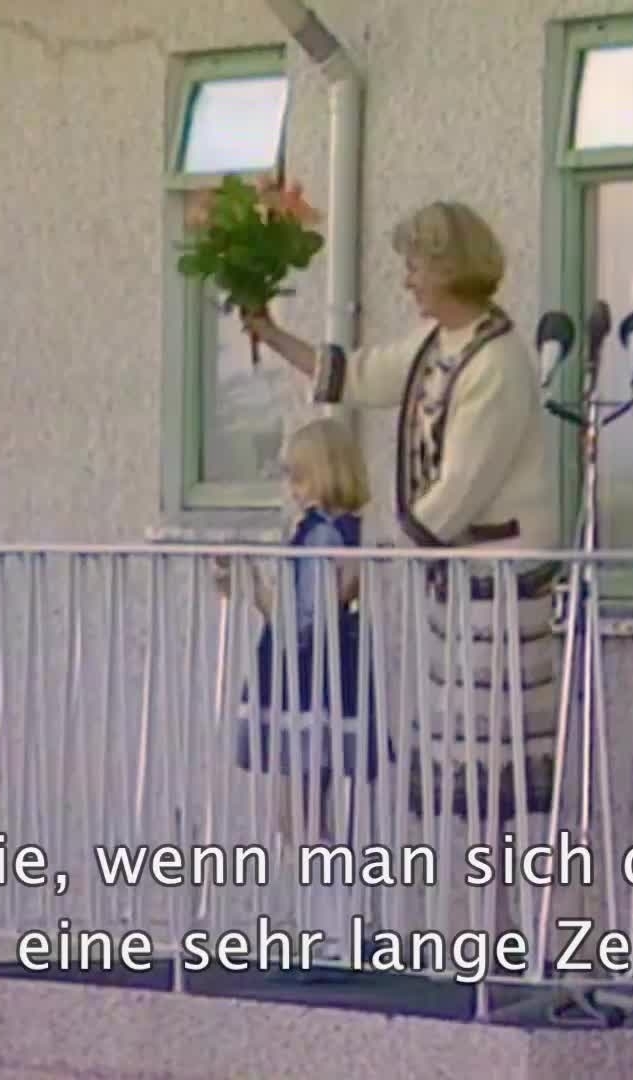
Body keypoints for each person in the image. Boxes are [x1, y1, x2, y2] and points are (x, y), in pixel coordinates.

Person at [242, 201, 562, 893]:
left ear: (449, 268)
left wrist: (381, 552)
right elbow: (356, 375)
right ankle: (480, 917)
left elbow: (461, 486)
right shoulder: (436, 345)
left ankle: (502, 923)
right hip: (459, 578)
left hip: (501, 580)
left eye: (416, 266)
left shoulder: (497, 361)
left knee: (492, 761)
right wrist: (272, 334)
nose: (407, 280)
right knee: (465, 761)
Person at [216, 416, 382, 845]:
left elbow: (303, 622)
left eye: (300, 477)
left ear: (326, 474)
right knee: (307, 809)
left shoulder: (321, 534)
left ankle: (324, 885)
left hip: (307, 682)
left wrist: (253, 588)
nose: (292, 489)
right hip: (325, 678)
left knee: (299, 817)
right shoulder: (348, 531)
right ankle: (327, 880)